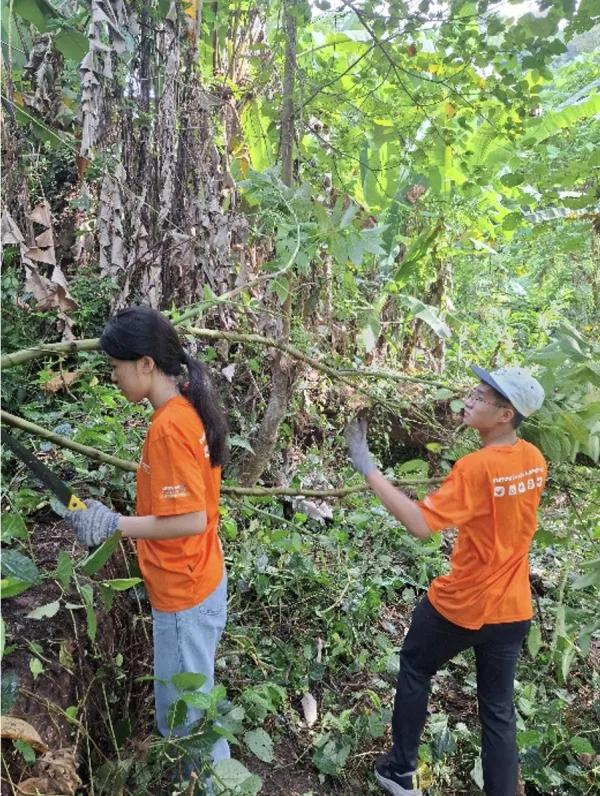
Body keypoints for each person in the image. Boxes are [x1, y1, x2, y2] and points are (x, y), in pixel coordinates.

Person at [344, 366, 547, 796]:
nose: (471, 399)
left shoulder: (476, 467)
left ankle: (400, 772)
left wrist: (368, 469)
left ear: (505, 416)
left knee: (416, 666)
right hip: (513, 609)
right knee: (497, 710)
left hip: (464, 603)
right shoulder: (534, 460)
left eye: (483, 397)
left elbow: (420, 524)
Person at [65, 306, 230, 779]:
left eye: (116, 368)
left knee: (184, 729)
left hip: (185, 596)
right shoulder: (183, 408)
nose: (114, 377)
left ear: (145, 364)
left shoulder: (169, 426)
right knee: (191, 712)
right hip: (197, 584)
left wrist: (114, 523)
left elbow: (191, 519)